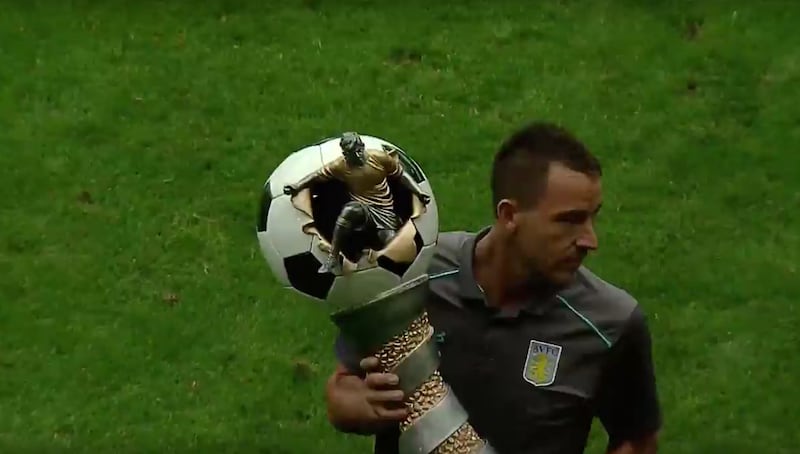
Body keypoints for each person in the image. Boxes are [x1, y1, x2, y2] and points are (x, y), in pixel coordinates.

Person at [323, 122, 661, 453]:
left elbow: (636, 439)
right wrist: (363, 405)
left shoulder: (609, 323)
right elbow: (342, 388)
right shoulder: (416, 273)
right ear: (510, 215)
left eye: (592, 217)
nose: (590, 240)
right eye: (569, 220)